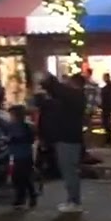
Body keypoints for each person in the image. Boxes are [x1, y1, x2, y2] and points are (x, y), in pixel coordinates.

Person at [39, 72, 86, 213]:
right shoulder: (74, 98)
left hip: (68, 139)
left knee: (69, 171)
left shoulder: (75, 97)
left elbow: (59, 91)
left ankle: (74, 201)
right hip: (68, 138)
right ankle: (72, 200)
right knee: (69, 170)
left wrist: (50, 81)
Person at [4, 104, 38, 210]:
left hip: (24, 155)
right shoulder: (12, 126)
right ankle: (28, 196)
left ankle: (23, 198)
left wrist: (11, 140)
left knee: (23, 177)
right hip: (18, 154)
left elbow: (26, 139)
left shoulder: (26, 127)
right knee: (20, 177)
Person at [99, 73, 111, 146]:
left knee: (107, 124)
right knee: (106, 123)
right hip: (107, 107)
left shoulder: (108, 87)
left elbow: (108, 97)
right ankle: (108, 140)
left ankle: (108, 140)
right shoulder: (109, 87)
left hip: (106, 107)